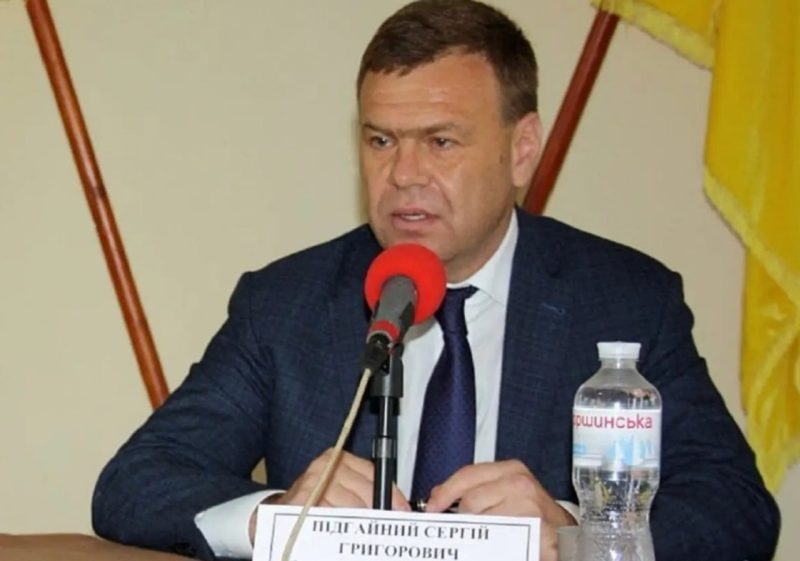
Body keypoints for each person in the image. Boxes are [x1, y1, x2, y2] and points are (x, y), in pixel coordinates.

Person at [92, 1, 780, 560]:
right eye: (381, 140)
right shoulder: (285, 303)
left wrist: (576, 537)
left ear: (522, 150)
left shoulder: (625, 300)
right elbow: (136, 483)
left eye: (441, 141)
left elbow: (736, 507)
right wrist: (275, 516)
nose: (404, 175)